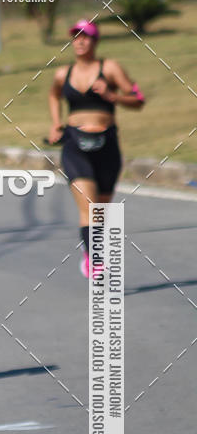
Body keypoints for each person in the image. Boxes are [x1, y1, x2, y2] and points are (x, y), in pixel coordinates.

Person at [48, 19, 145, 276]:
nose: (80, 41)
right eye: (75, 36)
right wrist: (56, 124)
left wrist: (113, 97)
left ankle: (90, 250)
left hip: (107, 146)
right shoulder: (63, 73)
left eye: (86, 36)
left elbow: (138, 99)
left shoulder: (110, 68)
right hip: (74, 145)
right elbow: (53, 95)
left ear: (95, 40)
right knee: (90, 206)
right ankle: (95, 258)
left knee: (101, 210)